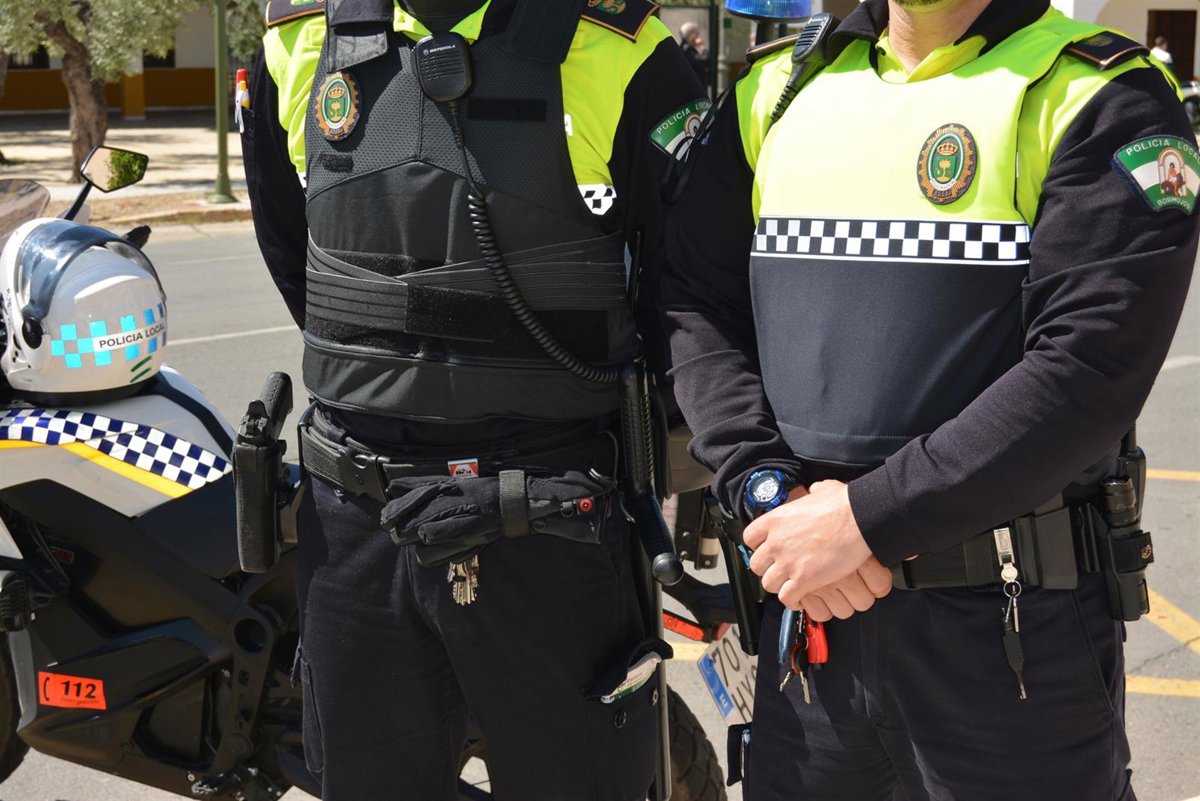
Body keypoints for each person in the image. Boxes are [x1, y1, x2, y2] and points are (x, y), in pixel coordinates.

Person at [664, 0, 1197, 799]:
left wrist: (862, 522)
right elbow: (695, 306)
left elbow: (1088, 371)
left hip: (1008, 640)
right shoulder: (775, 90)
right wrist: (763, 487)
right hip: (808, 620)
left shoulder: (1100, 92)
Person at [239, 0, 707, 798]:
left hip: (549, 528)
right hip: (357, 530)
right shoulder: (299, 39)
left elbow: (687, 296)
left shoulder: (625, 50)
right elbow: (297, 255)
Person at [680, 21, 710, 86]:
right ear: (691, 36)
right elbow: (705, 60)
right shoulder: (687, 50)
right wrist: (702, 47)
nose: (698, 36)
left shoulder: (685, 47)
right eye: (696, 33)